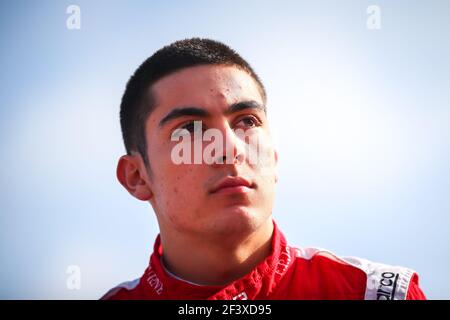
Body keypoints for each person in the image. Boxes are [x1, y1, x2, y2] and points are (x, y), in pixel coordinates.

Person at [102, 38, 426, 300]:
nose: (229, 149)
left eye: (247, 121)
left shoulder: (372, 294)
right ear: (136, 176)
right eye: (189, 130)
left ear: (273, 156)